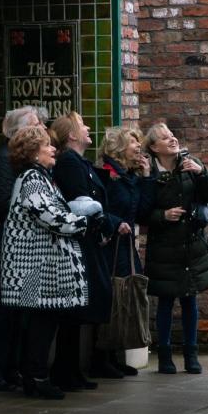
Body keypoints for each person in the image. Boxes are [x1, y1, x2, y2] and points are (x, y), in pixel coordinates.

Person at [0, 126, 96, 400]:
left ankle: (35, 375)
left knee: (42, 322)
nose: (54, 149)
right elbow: (50, 216)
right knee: (41, 323)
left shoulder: (41, 177)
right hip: (34, 269)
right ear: (33, 152)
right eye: (47, 145)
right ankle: (36, 377)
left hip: (40, 266)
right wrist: (85, 221)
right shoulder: (32, 179)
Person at [143, 123, 208, 374]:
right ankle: (165, 355)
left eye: (172, 135)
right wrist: (162, 215)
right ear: (154, 148)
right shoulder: (149, 173)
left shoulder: (191, 165)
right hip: (164, 247)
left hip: (191, 245)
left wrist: (201, 173)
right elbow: (141, 211)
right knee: (166, 301)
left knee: (190, 299)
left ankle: (191, 354)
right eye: (165, 138)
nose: (172, 139)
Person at [50, 112, 123, 386]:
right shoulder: (69, 162)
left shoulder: (81, 163)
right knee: (74, 309)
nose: (88, 128)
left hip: (89, 242)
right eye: (82, 125)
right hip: (79, 243)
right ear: (71, 135)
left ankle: (71, 369)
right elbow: (78, 202)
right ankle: (65, 370)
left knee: (82, 308)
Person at [0, 106, 43, 392]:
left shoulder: (23, 163)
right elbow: (4, 203)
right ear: (18, 132)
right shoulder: (1, 161)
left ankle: (12, 368)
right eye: (34, 125)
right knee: (3, 313)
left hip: (22, 248)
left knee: (21, 315)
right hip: (4, 249)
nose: (41, 128)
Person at [97, 126, 155, 375]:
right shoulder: (106, 174)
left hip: (125, 245)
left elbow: (142, 213)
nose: (138, 147)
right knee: (112, 297)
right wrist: (114, 223)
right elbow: (99, 208)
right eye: (133, 142)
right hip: (109, 244)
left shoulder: (130, 177)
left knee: (125, 297)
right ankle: (100, 357)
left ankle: (115, 353)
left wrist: (146, 177)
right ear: (120, 146)